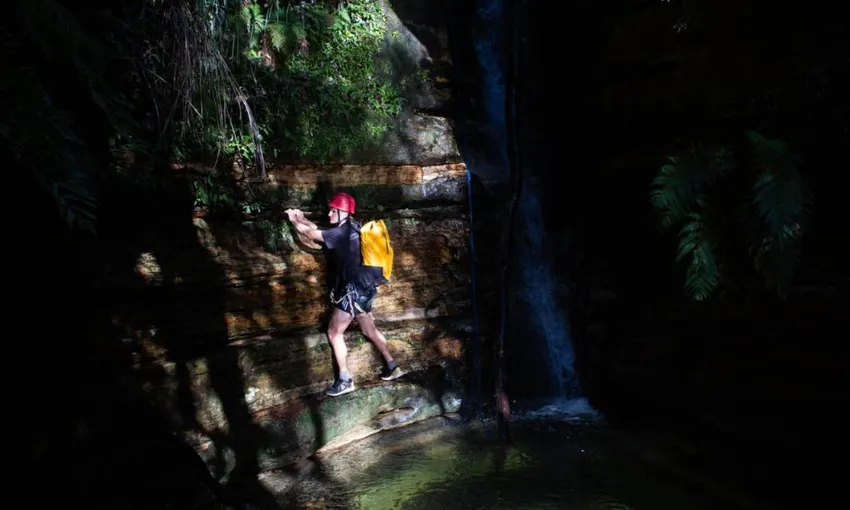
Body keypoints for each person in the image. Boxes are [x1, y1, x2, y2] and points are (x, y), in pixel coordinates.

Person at [285, 192, 403, 396]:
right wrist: (303, 218)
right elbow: (319, 230)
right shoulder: (352, 227)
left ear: (343, 213)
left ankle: (345, 380)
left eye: (333, 210)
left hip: (352, 293)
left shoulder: (340, 233)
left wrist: (294, 220)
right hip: (365, 290)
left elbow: (311, 235)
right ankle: (393, 366)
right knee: (369, 330)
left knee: (334, 332)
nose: (329, 213)